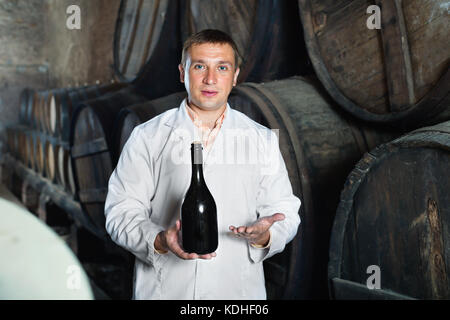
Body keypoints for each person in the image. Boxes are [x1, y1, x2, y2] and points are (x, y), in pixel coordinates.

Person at [104, 29, 301, 300]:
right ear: (183, 72)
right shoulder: (147, 136)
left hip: (237, 295)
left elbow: (284, 211)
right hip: (167, 291)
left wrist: (265, 236)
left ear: (235, 76)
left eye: (222, 67)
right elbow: (120, 211)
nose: (210, 79)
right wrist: (159, 239)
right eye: (199, 66)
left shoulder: (261, 139)